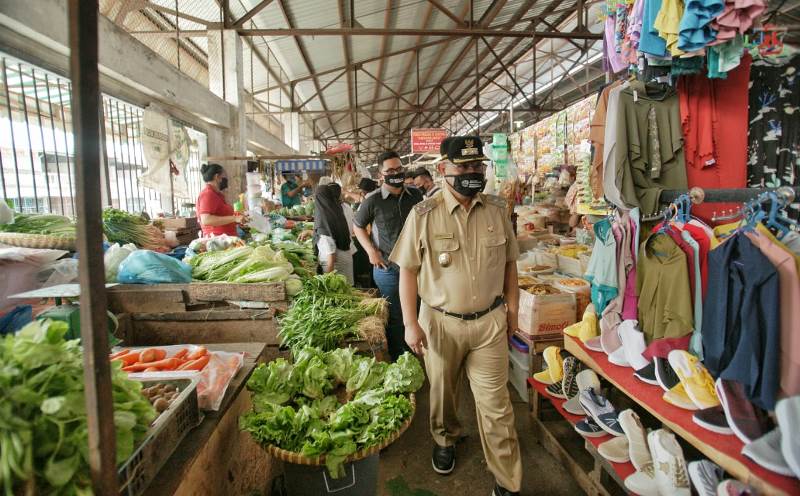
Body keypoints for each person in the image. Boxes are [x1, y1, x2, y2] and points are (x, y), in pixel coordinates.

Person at [389, 136, 523, 496]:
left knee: (497, 407)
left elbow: (511, 264)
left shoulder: (497, 209)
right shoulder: (423, 215)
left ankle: (507, 481)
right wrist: (410, 323)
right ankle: (445, 439)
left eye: (478, 166)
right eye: (463, 167)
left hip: (490, 324)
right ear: (443, 169)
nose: (472, 173)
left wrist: (513, 309)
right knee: (444, 395)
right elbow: (408, 272)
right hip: (440, 324)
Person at [354, 151, 424, 360]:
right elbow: (357, 226)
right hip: (388, 268)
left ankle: (420, 351)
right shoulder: (372, 200)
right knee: (396, 316)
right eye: (390, 171)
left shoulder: (416, 195)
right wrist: (370, 251)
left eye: (399, 169)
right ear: (381, 174)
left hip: (417, 266)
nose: (396, 173)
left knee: (419, 311)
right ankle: (401, 358)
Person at [313, 184, 354, 284]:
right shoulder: (335, 212)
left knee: (345, 294)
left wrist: (327, 281)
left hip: (336, 271)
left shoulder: (324, 222)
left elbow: (331, 255)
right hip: (345, 262)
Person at [196, 163, 245, 237]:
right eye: (224, 177)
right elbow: (206, 220)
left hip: (225, 240)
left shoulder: (216, 194)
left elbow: (222, 217)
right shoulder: (208, 194)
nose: (226, 180)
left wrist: (238, 219)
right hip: (217, 241)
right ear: (217, 177)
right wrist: (234, 218)